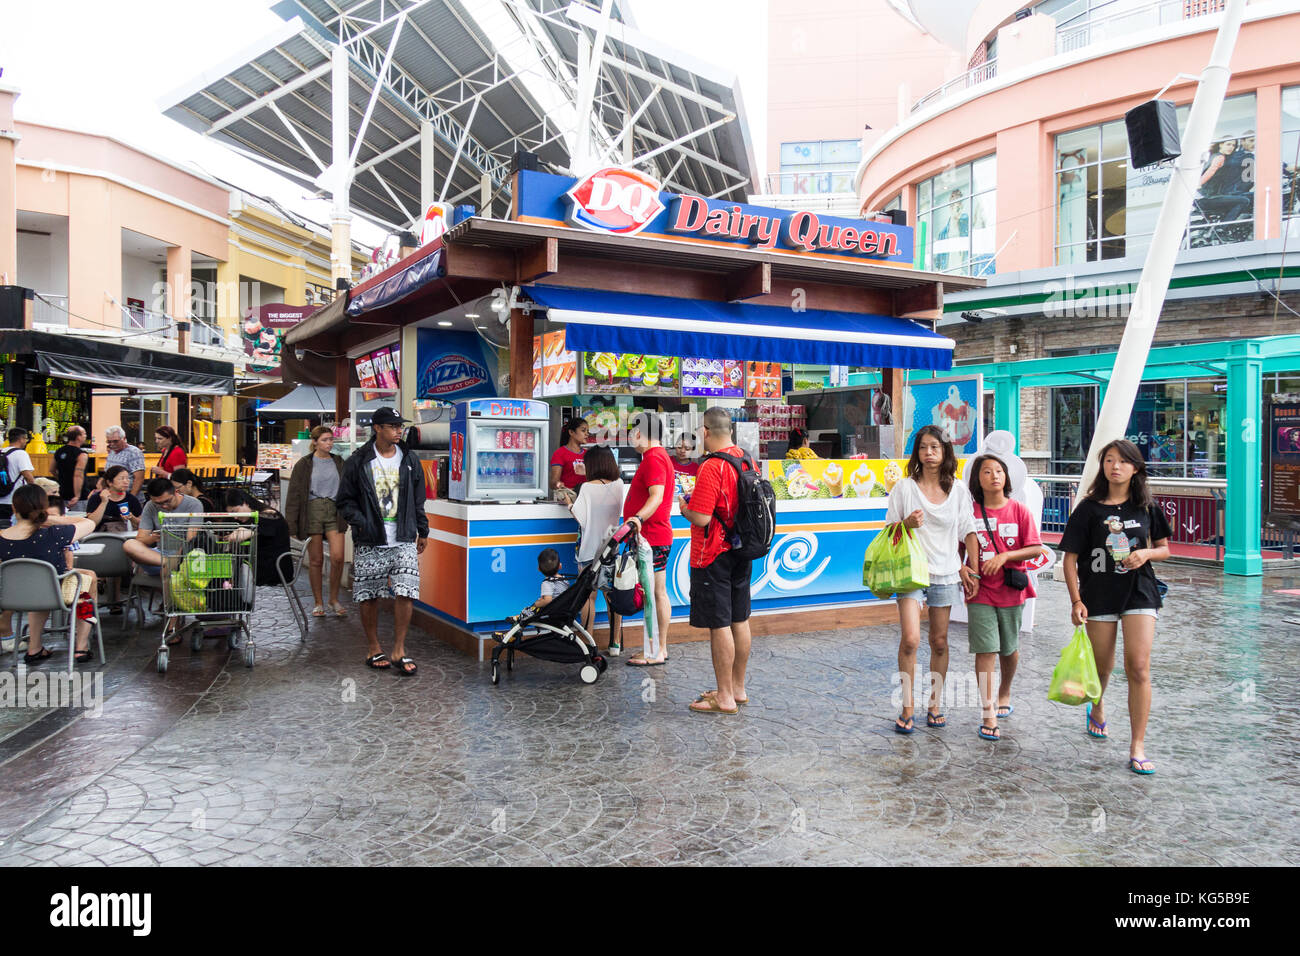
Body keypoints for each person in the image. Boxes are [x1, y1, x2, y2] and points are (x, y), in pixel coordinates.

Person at [1060, 439, 1171, 776]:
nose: (1116, 467)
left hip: (1140, 591)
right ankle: (1097, 706)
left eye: (1123, 461)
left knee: (1138, 666)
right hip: (1098, 595)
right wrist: (1076, 600)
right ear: (1103, 466)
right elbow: (1069, 559)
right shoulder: (1088, 508)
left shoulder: (1148, 507)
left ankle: (1137, 745)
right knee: (1102, 666)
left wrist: (1146, 554)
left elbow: (1165, 548)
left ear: (1135, 468)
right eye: (1109, 460)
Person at [885, 425, 981, 734]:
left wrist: (971, 567)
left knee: (939, 642)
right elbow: (888, 531)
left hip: (945, 571)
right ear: (917, 452)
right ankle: (907, 706)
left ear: (945, 452)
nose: (929, 453)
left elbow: (969, 530)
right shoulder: (904, 488)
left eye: (935, 448)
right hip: (911, 571)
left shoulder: (958, 490)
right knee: (911, 639)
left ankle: (935, 704)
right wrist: (906, 523)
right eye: (924, 447)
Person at [335, 406, 429, 675]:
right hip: (370, 538)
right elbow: (344, 500)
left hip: (403, 537)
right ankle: (374, 647)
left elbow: (417, 499)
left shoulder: (409, 459)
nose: (399, 430)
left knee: (406, 592)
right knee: (369, 595)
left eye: (400, 426)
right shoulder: (359, 460)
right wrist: (362, 522)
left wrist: (423, 530)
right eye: (393, 426)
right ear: (377, 428)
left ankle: (399, 649)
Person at [677, 407, 753, 714]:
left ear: (706, 432)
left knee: (720, 624)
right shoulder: (746, 459)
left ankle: (723, 697)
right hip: (742, 550)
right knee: (740, 618)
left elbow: (703, 516)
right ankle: (738, 688)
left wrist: (684, 508)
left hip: (714, 553)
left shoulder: (711, 467)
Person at [965, 453, 1042, 742]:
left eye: (999, 471)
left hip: (1011, 591)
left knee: (1008, 649)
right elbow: (958, 548)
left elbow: (1036, 548)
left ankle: (1005, 690)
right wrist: (963, 569)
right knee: (985, 650)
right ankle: (988, 712)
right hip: (980, 591)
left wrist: (1006, 556)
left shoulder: (1020, 511)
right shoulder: (969, 513)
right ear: (978, 479)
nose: (995, 476)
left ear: (1007, 477)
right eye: (987, 471)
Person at [0, 485, 98, 665]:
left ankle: (35, 648)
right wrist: (53, 520)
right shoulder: (53, 534)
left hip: (13, 598)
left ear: (14, 508)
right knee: (88, 581)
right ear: (42, 509)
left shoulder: (1, 537)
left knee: (37, 588)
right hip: (53, 595)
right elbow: (90, 523)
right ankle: (81, 646)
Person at [623, 412, 675, 667]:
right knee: (657, 592)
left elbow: (656, 496)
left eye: (632, 432)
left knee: (653, 594)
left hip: (651, 538)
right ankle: (658, 648)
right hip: (654, 535)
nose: (631, 437)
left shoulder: (654, 458)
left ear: (641, 433)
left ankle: (654, 650)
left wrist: (637, 519)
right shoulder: (656, 457)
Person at [285, 425, 348, 617]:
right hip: (312, 510)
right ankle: (318, 602)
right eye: (324, 440)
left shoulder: (339, 462)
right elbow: (294, 495)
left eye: (331, 439)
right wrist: (291, 524)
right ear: (314, 442)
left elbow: (348, 488)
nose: (329, 443)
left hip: (334, 510)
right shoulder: (304, 464)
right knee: (316, 559)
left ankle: (334, 599)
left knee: (338, 557)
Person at [568, 444, 624, 645]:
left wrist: (568, 502)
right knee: (612, 597)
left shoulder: (586, 488)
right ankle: (615, 642)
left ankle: (588, 640)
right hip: (610, 549)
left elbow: (580, 517)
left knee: (589, 596)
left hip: (589, 550)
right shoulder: (619, 485)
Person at [223, 488, 292, 587]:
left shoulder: (269, 515)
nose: (235, 517)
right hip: (262, 567)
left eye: (236, 511)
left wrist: (237, 534)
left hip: (275, 570)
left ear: (245, 503)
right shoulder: (254, 517)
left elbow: (243, 535)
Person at [85, 465, 143, 532]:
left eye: (127, 478)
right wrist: (104, 502)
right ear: (109, 482)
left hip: (123, 536)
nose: (126, 481)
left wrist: (132, 517)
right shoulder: (96, 497)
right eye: (121, 478)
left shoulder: (131, 499)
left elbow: (141, 525)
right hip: (99, 535)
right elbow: (92, 523)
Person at [0, 427, 36, 524]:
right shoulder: (20, 454)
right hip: (12, 500)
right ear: (21, 439)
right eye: (26, 439)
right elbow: (27, 476)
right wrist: (35, 493)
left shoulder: (1, 451)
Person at [549, 417, 589, 498]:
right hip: (568, 500)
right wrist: (559, 485)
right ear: (571, 432)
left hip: (586, 499)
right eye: (583, 430)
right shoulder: (560, 453)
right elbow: (553, 482)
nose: (587, 434)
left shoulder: (588, 454)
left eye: (588, 431)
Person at [52, 426, 89, 508]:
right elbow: (78, 475)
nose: (85, 436)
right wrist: (77, 495)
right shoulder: (81, 455)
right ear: (78, 437)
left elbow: (52, 470)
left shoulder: (59, 451)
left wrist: (62, 478)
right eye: (84, 434)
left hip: (62, 493)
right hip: (79, 497)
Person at [104, 426, 146, 499]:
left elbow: (139, 479)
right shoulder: (112, 451)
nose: (112, 444)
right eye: (109, 442)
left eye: (115, 441)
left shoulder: (133, 452)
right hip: (114, 497)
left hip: (128, 498)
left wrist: (131, 499)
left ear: (124, 438)